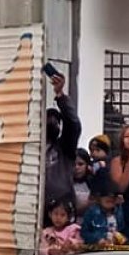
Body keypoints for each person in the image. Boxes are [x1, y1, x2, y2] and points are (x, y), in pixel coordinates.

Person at [43, 71, 82, 209]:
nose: (52, 123)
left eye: (56, 121)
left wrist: (60, 95)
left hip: (61, 210)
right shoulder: (31, 147)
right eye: (48, 120)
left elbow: (73, 124)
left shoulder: (64, 147)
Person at [80, 181, 125, 247]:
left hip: (115, 249)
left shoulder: (119, 211)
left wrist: (119, 238)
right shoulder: (92, 212)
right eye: (106, 195)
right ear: (99, 197)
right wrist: (98, 239)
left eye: (113, 196)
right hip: (96, 251)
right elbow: (84, 233)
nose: (110, 198)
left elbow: (122, 231)